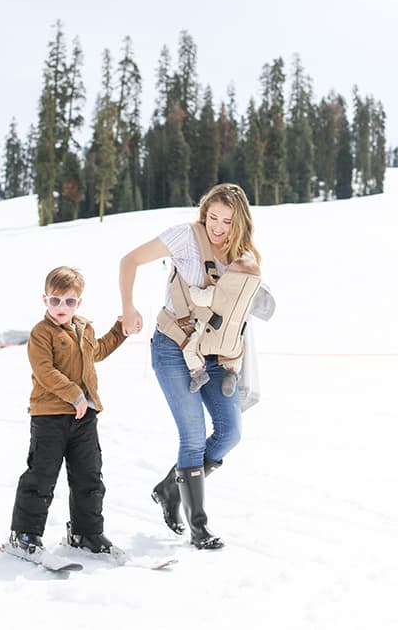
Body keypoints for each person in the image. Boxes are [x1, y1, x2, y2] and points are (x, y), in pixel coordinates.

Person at [119, 182, 265, 550]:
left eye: (227, 221)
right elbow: (129, 260)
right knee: (194, 436)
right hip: (173, 348)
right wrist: (129, 307)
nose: (218, 226)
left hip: (214, 355)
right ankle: (198, 527)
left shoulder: (243, 257)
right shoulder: (185, 238)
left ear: (240, 223)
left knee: (230, 432)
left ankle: (170, 488)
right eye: (213, 217)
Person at [8, 265, 128, 558]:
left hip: (84, 416)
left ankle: (85, 532)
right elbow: (45, 371)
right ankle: (25, 534)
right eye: (55, 300)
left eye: (69, 301)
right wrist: (75, 395)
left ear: (79, 303)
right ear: (45, 299)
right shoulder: (41, 333)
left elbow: (95, 352)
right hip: (50, 416)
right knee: (42, 475)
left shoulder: (84, 328)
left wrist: (120, 331)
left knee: (89, 476)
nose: (62, 307)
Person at [185, 254, 261, 394]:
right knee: (236, 355)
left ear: (231, 278)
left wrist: (190, 290)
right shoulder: (248, 301)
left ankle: (198, 372)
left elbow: (197, 298)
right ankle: (232, 372)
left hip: (208, 341)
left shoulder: (217, 293)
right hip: (231, 346)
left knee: (189, 349)